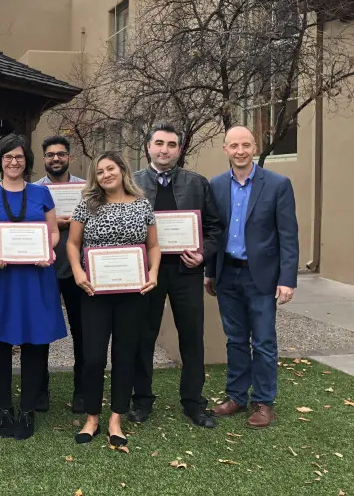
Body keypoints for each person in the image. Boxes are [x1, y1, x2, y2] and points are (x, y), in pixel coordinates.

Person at [0, 134, 66, 441]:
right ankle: (4, 409)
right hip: (1, 277)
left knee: (35, 342)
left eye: (19, 157)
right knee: (0, 343)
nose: (13, 162)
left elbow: (53, 232)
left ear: (27, 161)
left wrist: (46, 251)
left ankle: (26, 410)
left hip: (36, 277)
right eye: (8, 157)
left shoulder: (42, 194)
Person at [129, 123, 222, 428]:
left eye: (171, 145)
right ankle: (141, 400)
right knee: (143, 336)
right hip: (147, 272)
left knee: (192, 336)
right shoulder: (132, 183)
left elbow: (214, 228)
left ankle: (193, 402)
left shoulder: (197, 183)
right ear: (148, 147)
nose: (164, 150)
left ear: (179, 150)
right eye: (159, 143)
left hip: (187, 271)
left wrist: (203, 254)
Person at [205, 126, 298, 429]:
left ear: (255, 147)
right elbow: (214, 233)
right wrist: (210, 273)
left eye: (246, 145)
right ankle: (236, 396)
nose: (240, 151)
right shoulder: (216, 185)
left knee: (263, 341)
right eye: (234, 146)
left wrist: (287, 279)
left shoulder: (277, 184)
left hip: (262, 278)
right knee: (234, 340)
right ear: (225, 150)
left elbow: (288, 236)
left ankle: (263, 401)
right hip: (227, 274)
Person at [66, 151, 160, 447]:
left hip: (133, 293)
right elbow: (72, 242)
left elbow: (154, 245)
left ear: (122, 170)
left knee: (125, 356)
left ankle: (116, 418)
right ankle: (92, 416)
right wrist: (78, 271)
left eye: (111, 169)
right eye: (100, 171)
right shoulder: (87, 205)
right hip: (95, 292)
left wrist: (154, 271)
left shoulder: (142, 205)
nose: (106, 175)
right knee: (93, 357)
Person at [35, 135, 86, 415]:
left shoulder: (85, 188)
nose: (56, 158)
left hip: (78, 271)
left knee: (83, 333)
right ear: (44, 159)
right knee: (42, 332)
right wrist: (55, 224)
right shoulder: (34, 190)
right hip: (44, 270)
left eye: (61, 154)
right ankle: (40, 390)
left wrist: (74, 224)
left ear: (69, 157)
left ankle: (81, 391)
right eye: (50, 154)